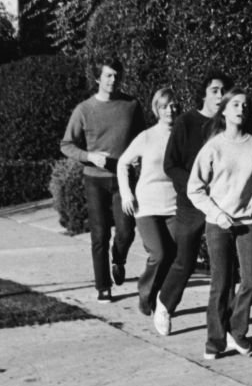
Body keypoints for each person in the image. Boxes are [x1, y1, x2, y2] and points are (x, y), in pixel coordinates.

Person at [187, 88, 252, 359]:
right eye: (235, 104)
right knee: (221, 282)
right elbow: (195, 189)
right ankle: (215, 341)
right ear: (224, 111)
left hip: (248, 221)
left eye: (245, 105)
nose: (241, 109)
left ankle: (237, 331)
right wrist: (216, 215)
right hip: (219, 223)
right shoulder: (213, 148)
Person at [152, 68, 233, 335]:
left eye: (223, 91)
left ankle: (227, 326)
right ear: (204, 95)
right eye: (214, 91)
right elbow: (170, 165)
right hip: (191, 204)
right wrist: (193, 186)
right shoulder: (186, 122)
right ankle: (164, 303)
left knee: (225, 265)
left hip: (222, 204)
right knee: (185, 260)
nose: (220, 96)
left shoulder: (229, 125)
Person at [60, 56, 145, 302]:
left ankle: (118, 259)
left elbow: (142, 138)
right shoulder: (84, 110)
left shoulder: (131, 105)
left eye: (116, 75)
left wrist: (139, 156)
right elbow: (66, 144)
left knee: (127, 231)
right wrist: (89, 156)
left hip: (124, 178)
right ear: (98, 78)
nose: (112, 80)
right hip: (95, 179)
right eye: (107, 75)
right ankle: (103, 286)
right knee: (99, 235)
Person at [116, 87, 180, 316]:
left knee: (175, 256)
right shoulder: (146, 137)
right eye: (164, 106)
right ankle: (145, 293)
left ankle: (161, 299)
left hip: (174, 205)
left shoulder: (184, 136)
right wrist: (126, 194)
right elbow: (122, 163)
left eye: (172, 105)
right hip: (147, 206)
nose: (169, 111)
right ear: (156, 110)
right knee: (159, 254)